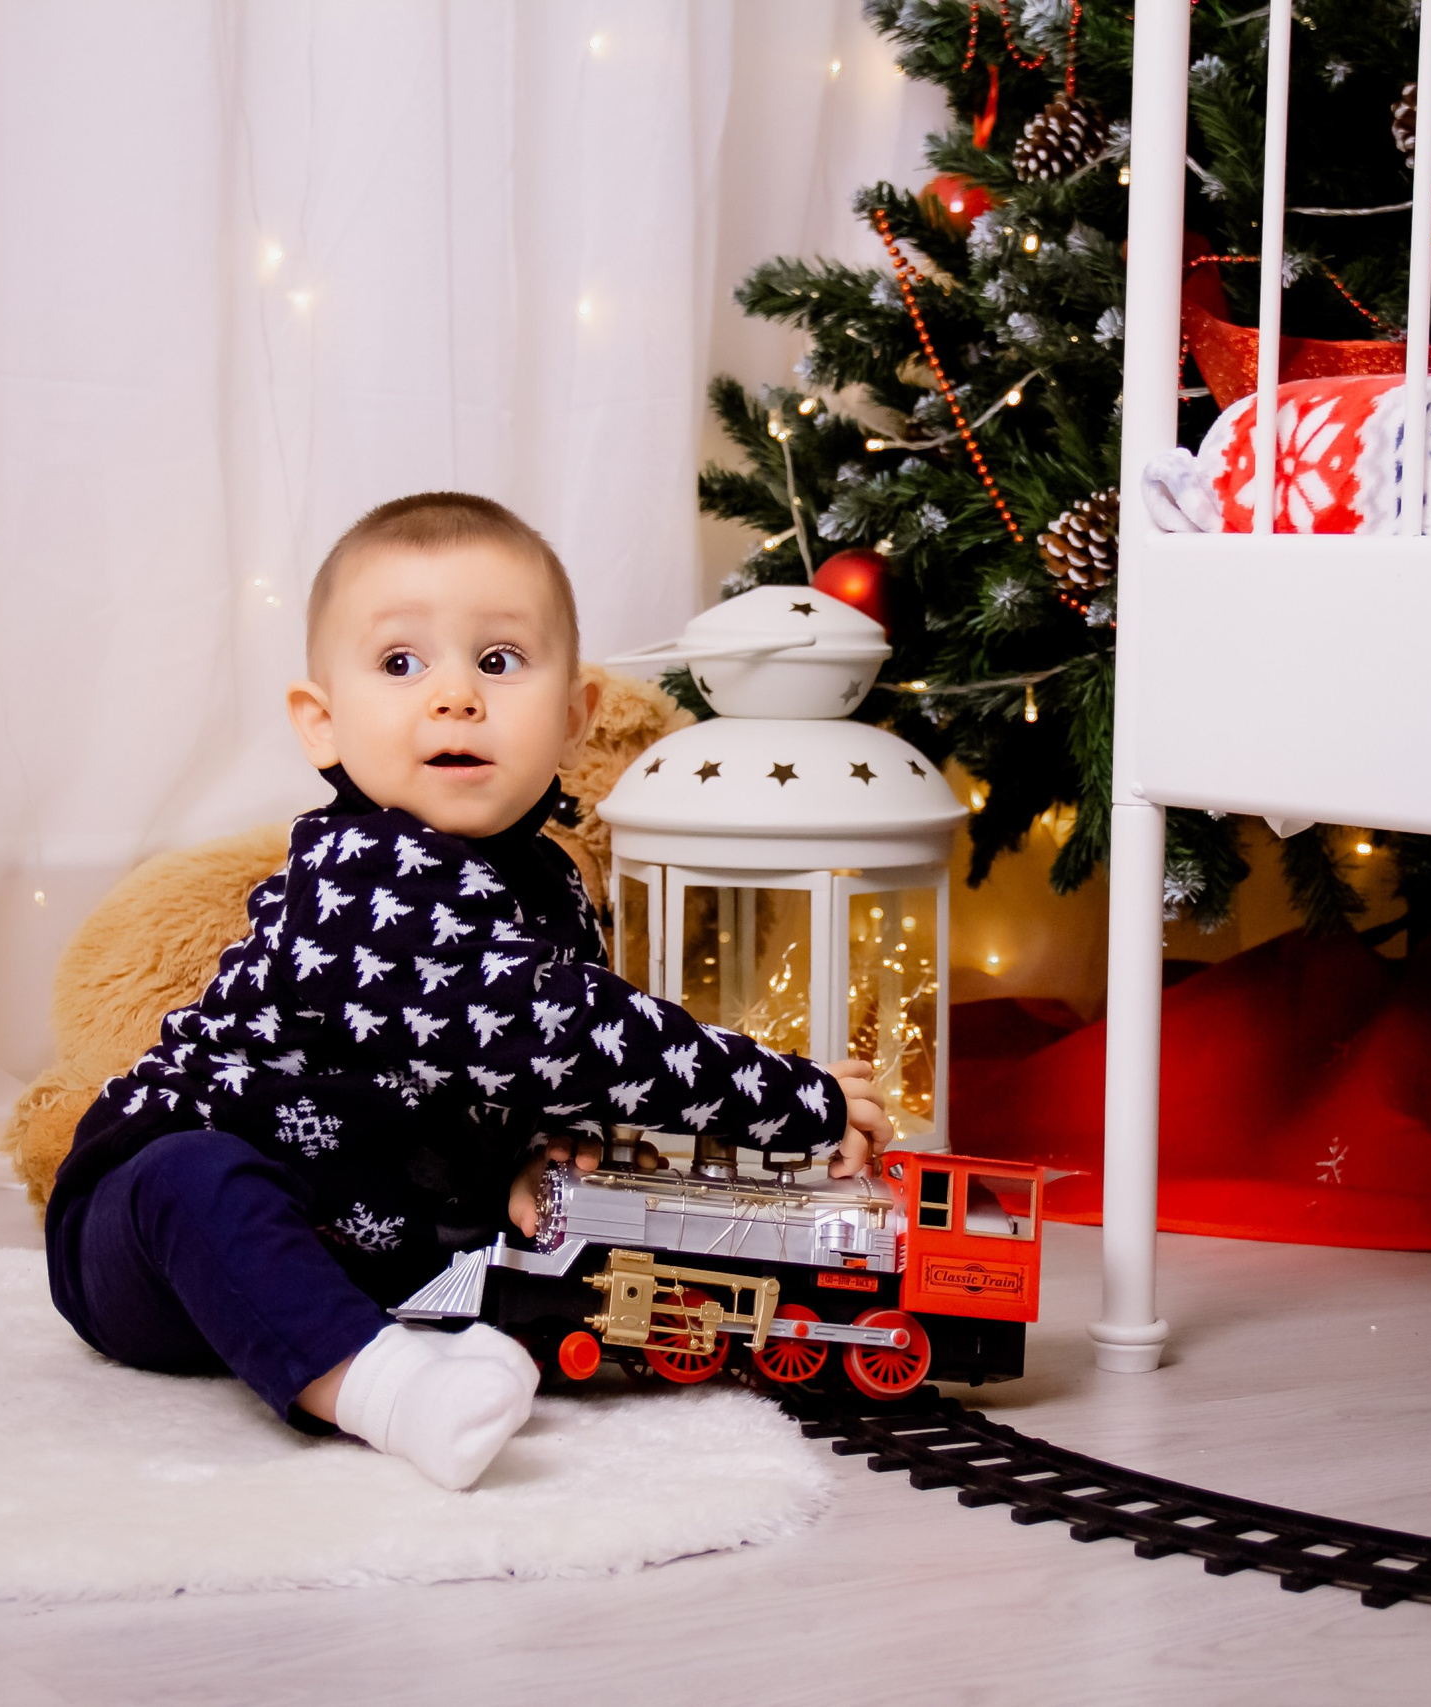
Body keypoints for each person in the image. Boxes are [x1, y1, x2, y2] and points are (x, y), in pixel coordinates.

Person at [44, 492, 896, 1490]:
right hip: (149, 1244)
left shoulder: (549, 884)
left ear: (575, 718)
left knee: (511, 1235)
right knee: (193, 1178)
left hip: (366, 1227)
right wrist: (792, 1101)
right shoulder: (359, 878)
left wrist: (528, 1160)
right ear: (321, 725)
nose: (455, 697)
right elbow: (560, 1037)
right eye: (402, 664)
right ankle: (387, 1389)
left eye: (498, 662)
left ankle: (394, 1332)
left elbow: (512, 1080)